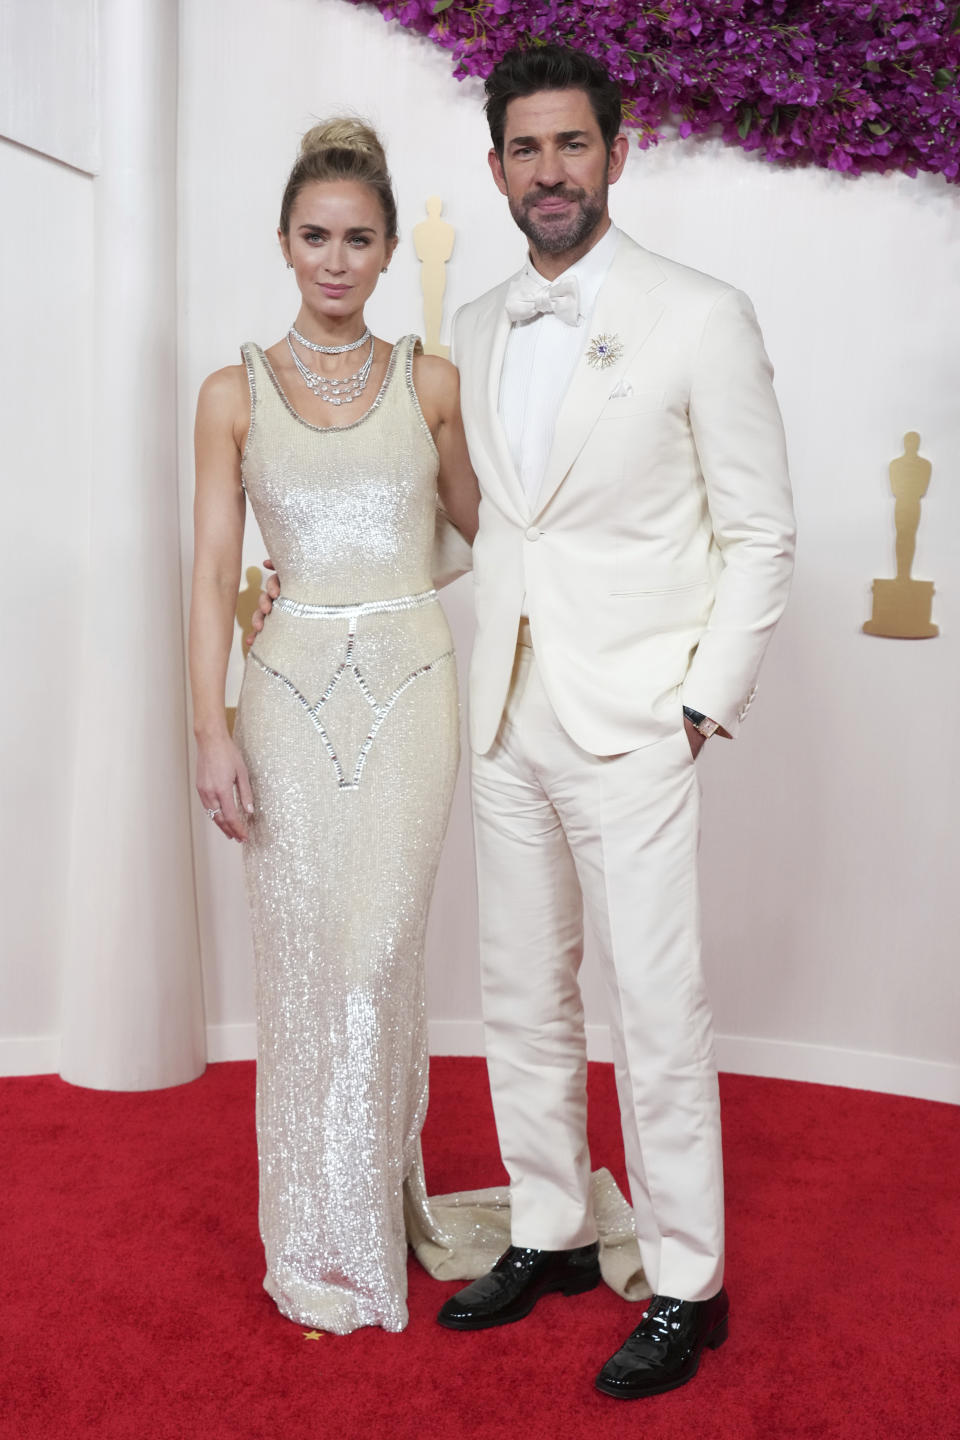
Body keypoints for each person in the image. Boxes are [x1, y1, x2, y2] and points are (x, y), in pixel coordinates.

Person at [254, 45, 795, 1396]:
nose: (550, 171)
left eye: (573, 145)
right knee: (521, 995)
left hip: (635, 717)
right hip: (496, 709)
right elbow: (475, 532)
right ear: (493, 170)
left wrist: (694, 706)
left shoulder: (701, 315)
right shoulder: (477, 331)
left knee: (655, 1008)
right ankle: (551, 1228)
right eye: (526, 151)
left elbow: (765, 533)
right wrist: (317, 576)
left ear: (618, 153)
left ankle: (686, 1281)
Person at [188, 118, 479, 1335]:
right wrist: (209, 727)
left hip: (413, 684)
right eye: (316, 235)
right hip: (288, 701)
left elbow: (487, 534)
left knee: (376, 959)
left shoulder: (431, 380)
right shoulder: (230, 391)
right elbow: (210, 571)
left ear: (388, 247)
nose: (337, 259)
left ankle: (368, 1219)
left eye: (360, 239)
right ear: (283, 242)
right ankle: (314, 1241)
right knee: (305, 972)